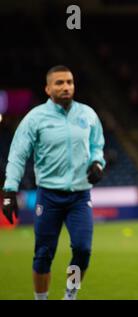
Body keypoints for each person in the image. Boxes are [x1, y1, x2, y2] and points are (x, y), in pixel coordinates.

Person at [1, 65, 106, 300]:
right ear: (48, 88)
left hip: (80, 196)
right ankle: (42, 299)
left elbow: (97, 146)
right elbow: (17, 155)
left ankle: (70, 295)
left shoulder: (87, 114)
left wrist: (98, 163)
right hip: (49, 196)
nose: (66, 87)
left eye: (69, 82)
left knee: (83, 250)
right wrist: (9, 190)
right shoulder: (35, 118)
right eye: (59, 83)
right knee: (43, 254)